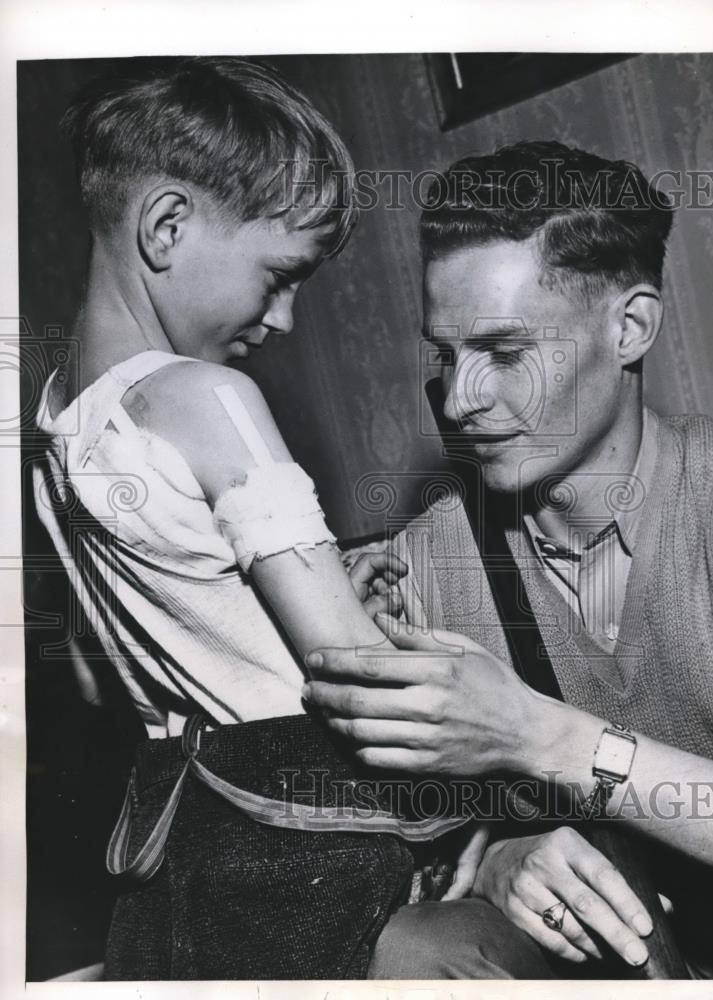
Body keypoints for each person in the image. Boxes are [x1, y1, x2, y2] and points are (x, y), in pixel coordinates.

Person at [32, 56, 470, 981]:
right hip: (308, 840)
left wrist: (281, 602)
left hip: (185, 853)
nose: (287, 319)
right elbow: (362, 676)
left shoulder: (53, 423)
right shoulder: (207, 396)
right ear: (167, 226)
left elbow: (109, 665)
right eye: (280, 274)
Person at [303, 141, 713, 979]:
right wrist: (498, 856)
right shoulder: (425, 563)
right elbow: (370, 837)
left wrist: (535, 734)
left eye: (505, 353)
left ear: (631, 327)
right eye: (445, 356)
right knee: (418, 948)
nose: (460, 400)